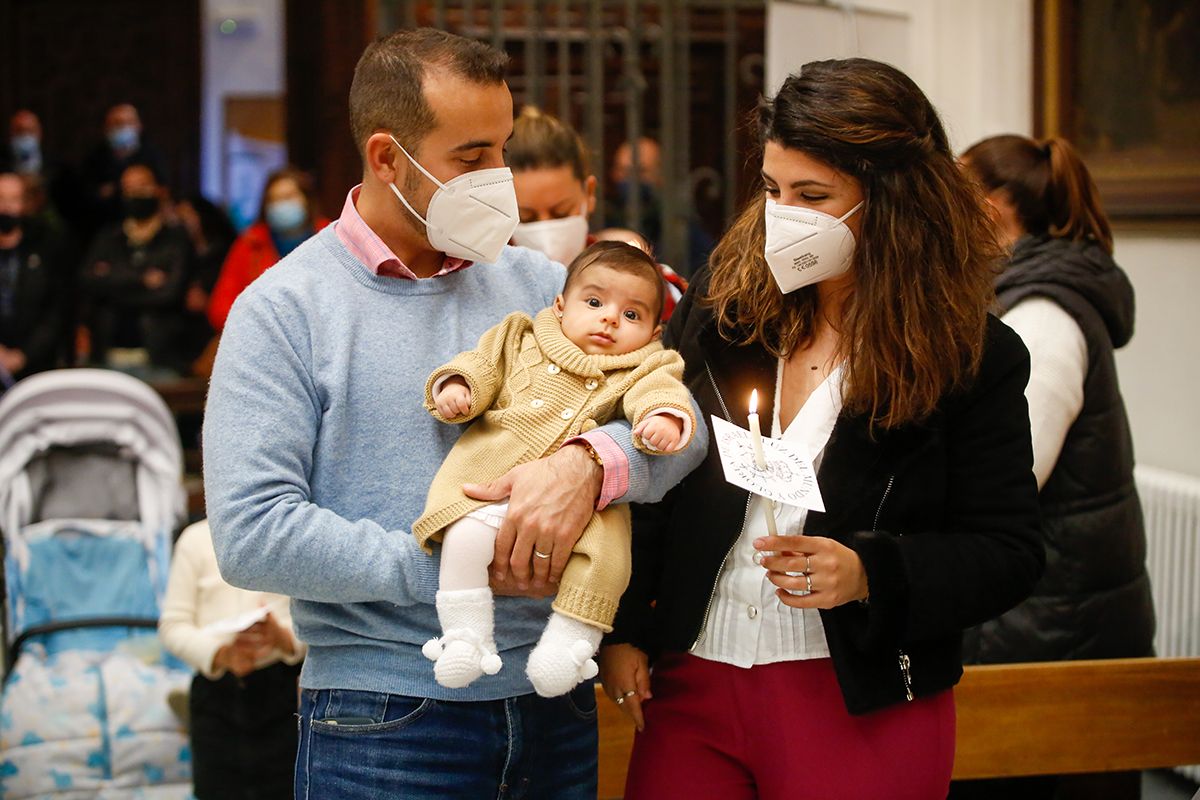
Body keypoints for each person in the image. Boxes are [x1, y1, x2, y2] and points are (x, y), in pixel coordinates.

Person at [201, 28, 704, 799]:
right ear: (385, 158)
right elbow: (253, 534)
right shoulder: (285, 309)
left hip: (553, 699)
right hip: (381, 716)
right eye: (471, 159)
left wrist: (591, 466)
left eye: (501, 149)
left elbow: (683, 432)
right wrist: (454, 563)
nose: (497, 179)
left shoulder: (543, 283)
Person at [598, 57, 1044, 800]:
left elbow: (1009, 551)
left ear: (894, 203)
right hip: (694, 680)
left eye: (813, 195)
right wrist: (623, 630)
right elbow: (654, 471)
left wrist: (872, 571)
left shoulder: (972, 356)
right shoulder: (724, 307)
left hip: (856, 695)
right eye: (773, 190)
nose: (783, 216)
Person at [952, 134, 1155, 800]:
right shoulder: (1026, 299)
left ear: (991, 209)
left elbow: (1011, 476)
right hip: (1049, 618)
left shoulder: (1042, 317)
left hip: (1053, 631)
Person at [415, 241, 694, 698]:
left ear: (654, 330)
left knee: (606, 559)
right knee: (463, 539)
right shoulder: (518, 335)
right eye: (595, 302)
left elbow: (663, 392)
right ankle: (465, 635)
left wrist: (661, 417)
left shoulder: (648, 363)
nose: (610, 319)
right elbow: (481, 366)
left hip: (582, 508)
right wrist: (457, 386)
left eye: (632, 315)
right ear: (560, 305)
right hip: (491, 477)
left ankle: (569, 645)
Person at [159, 519, 305, 800]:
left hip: (280, 692)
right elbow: (172, 625)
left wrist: (284, 638)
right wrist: (221, 655)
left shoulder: (287, 533)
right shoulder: (194, 539)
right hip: (215, 694)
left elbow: (316, 623)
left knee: (285, 789)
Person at [508, 107, 688, 319]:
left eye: (561, 213)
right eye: (527, 216)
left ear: (589, 193)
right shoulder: (484, 281)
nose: (546, 229)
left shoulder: (644, 281)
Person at [78, 163, 193, 375]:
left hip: (160, 357)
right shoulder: (108, 237)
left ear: (160, 190)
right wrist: (141, 280)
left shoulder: (176, 239)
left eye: (142, 187)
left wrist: (111, 285)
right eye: (128, 189)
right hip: (107, 354)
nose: (135, 194)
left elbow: (170, 294)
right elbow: (88, 281)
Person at [206, 167, 328, 332]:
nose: (281, 205)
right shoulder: (250, 243)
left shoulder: (330, 239)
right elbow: (220, 308)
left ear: (306, 200)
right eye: (274, 200)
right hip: (261, 339)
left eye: (288, 197)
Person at [606, 135, 714, 276]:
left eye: (641, 171)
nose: (629, 180)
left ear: (661, 175)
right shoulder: (605, 218)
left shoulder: (680, 230)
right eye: (623, 170)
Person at [0, 172, 64, 385]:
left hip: (35, 369)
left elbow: (55, 311)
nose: (6, 207)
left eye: (13, 199)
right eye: (0, 199)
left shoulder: (46, 246)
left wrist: (24, 355)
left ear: (25, 203)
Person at [79, 103, 166, 242]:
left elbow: (163, 192)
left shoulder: (152, 157)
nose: (122, 128)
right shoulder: (94, 160)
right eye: (117, 123)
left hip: (146, 233)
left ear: (139, 125)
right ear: (105, 128)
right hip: (104, 231)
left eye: (128, 122)